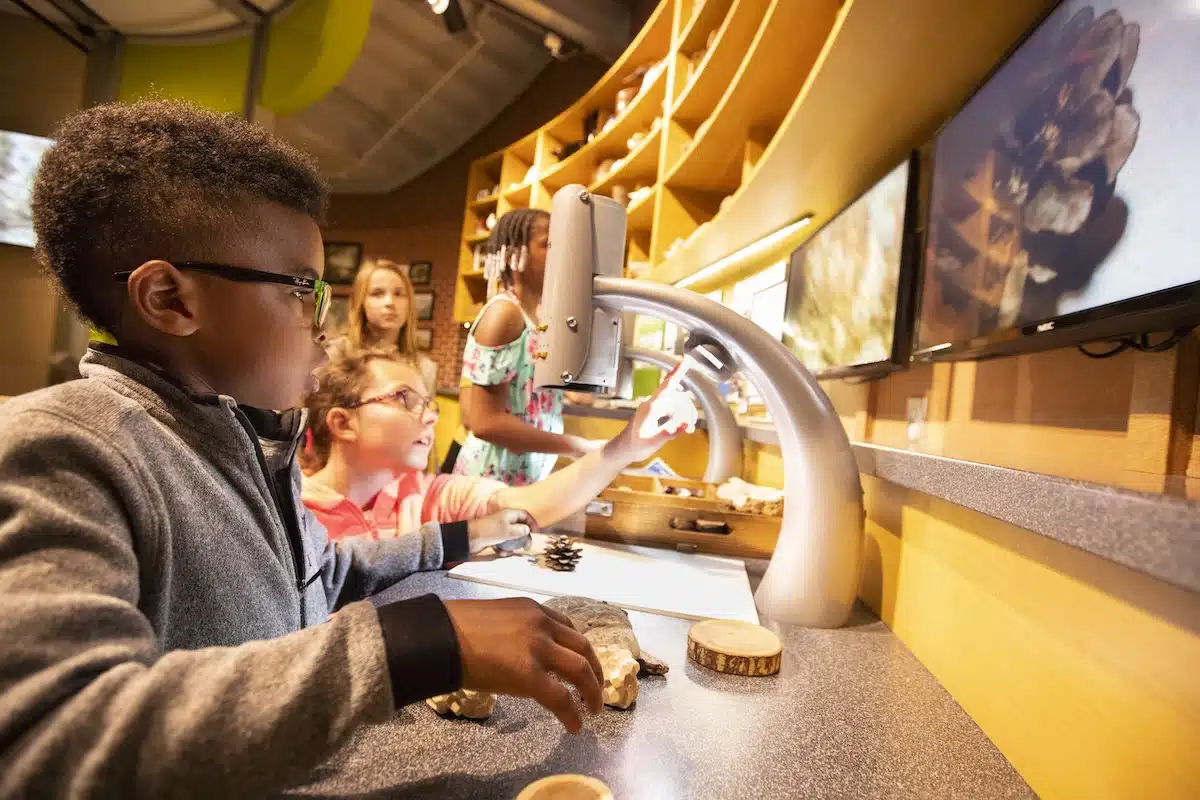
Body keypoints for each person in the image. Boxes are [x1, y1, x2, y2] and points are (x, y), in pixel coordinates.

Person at [0, 100, 610, 797]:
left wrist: (458, 539)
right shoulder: (64, 448)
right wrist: (412, 646)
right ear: (169, 299)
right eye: (303, 292)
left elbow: (316, 582)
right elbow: (46, 740)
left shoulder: (245, 440)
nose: (324, 328)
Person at [301, 349, 683, 541]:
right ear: (342, 423)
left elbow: (527, 507)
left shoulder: (430, 497)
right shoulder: (292, 513)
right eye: (403, 398)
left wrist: (623, 450)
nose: (431, 416)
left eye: (429, 403)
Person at [455, 208, 600, 486]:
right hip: (488, 483)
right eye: (549, 244)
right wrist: (575, 446)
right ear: (512, 256)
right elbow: (484, 422)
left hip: (516, 482)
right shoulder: (505, 315)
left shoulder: (540, 319)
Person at [329, 256, 437, 392]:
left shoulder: (425, 369)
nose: (390, 302)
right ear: (361, 302)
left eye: (399, 294)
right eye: (377, 293)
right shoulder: (335, 355)